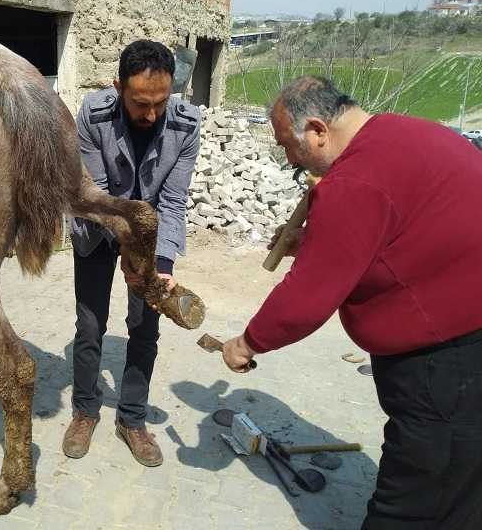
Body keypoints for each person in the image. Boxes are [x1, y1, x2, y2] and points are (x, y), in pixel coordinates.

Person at [221, 76, 482, 529]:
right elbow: (406, 227)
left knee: (412, 501)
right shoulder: (410, 132)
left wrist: (247, 343)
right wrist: (321, 238)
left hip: (444, 362)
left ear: (318, 130)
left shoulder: (353, 180)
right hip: (464, 337)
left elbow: (306, 299)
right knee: (461, 482)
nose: (289, 158)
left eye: (289, 145)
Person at [62, 39, 200, 467]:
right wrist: (127, 253)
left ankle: (133, 419)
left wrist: (160, 267)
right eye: (141, 103)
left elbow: (174, 200)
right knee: (90, 325)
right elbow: (99, 196)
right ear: (118, 86)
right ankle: (85, 411)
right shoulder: (93, 113)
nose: (153, 113)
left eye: (161, 101)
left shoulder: (186, 123)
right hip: (96, 225)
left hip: (151, 235)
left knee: (144, 329)